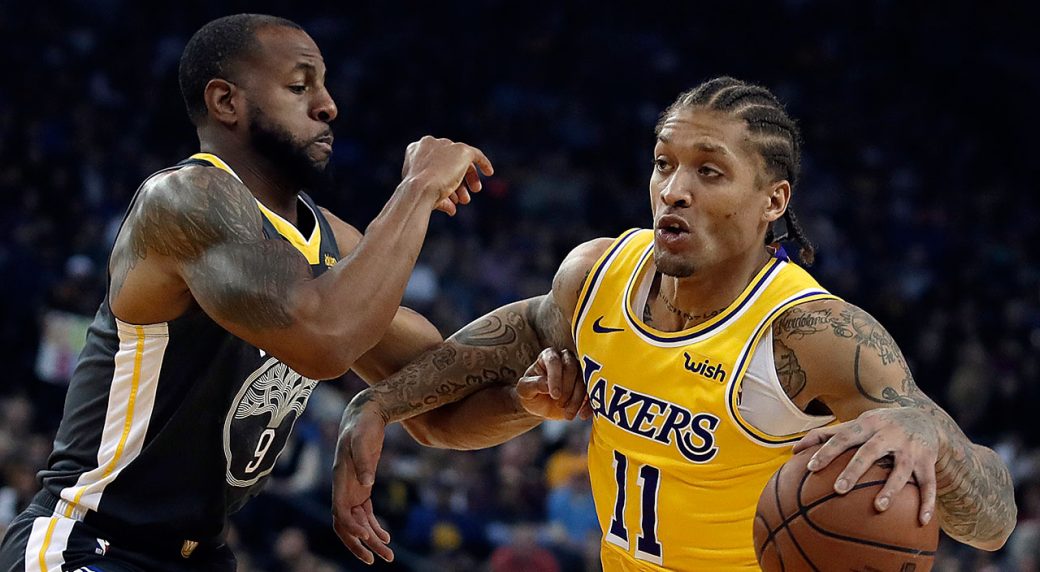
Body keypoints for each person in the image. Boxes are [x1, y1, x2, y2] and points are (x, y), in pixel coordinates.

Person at [334, 77, 1018, 569]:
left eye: (709, 171)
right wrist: (379, 405)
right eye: (664, 164)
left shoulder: (813, 336)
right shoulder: (597, 275)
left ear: (773, 200)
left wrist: (932, 435)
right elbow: (466, 379)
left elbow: (993, 524)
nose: (674, 190)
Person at [0, 13, 494, 572]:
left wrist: (550, 364)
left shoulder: (334, 242)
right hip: (91, 540)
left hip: (202, 556)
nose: (328, 105)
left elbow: (440, 397)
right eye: (300, 86)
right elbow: (324, 340)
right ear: (225, 102)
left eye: (325, 86)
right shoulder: (185, 200)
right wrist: (420, 188)